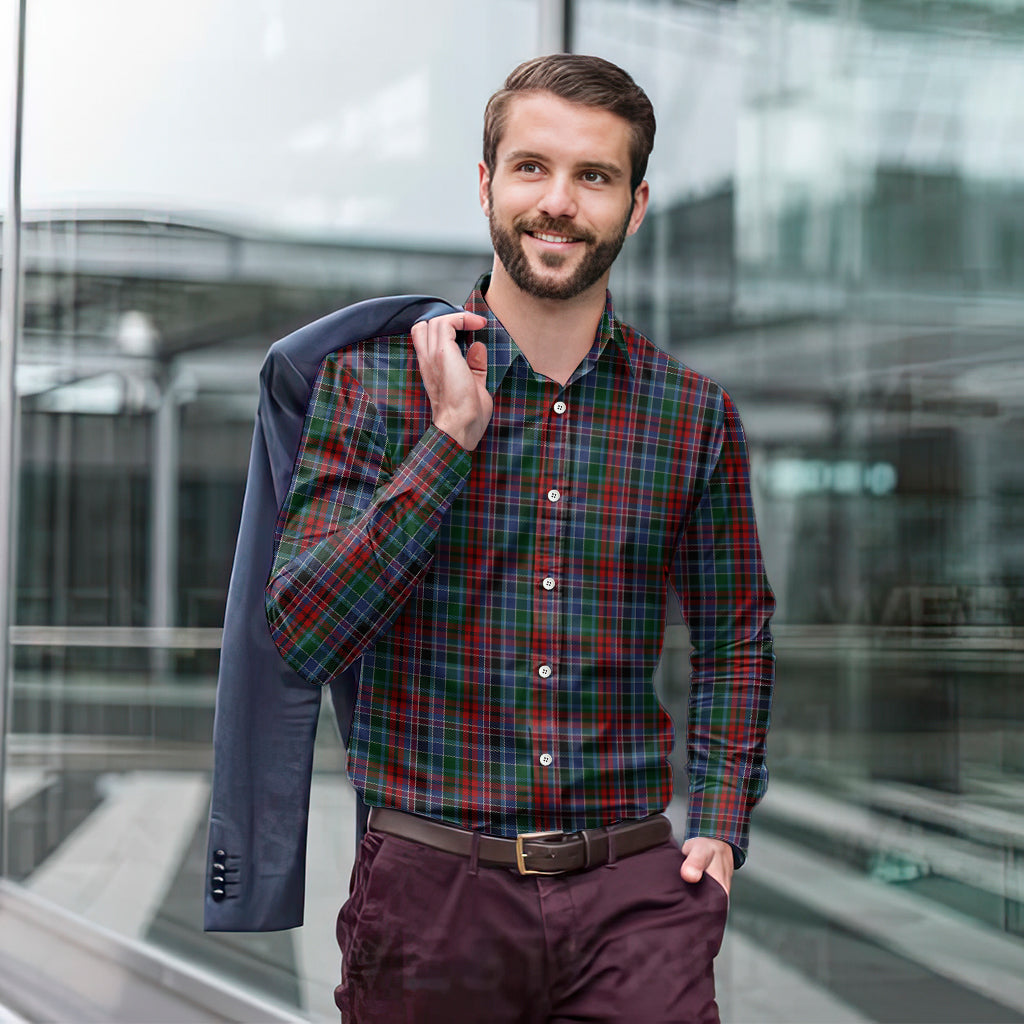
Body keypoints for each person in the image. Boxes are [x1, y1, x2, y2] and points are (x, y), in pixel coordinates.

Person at [266, 53, 775, 1023]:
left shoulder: (691, 416)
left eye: (594, 176)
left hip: (634, 898)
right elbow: (303, 633)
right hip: (431, 897)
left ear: (635, 204)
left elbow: (735, 632)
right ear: (486, 183)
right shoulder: (372, 388)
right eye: (532, 167)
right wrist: (449, 439)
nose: (559, 202)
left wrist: (717, 819)